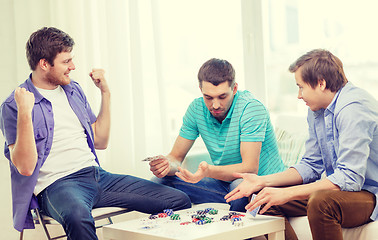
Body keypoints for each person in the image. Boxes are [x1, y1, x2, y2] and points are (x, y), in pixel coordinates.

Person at [0, 27, 191, 240]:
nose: (73, 67)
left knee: (178, 201)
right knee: (78, 217)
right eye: (66, 62)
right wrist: (25, 113)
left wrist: (105, 93)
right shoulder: (14, 105)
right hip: (57, 185)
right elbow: (25, 168)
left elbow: (100, 141)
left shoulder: (73, 90)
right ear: (44, 64)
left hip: (97, 176)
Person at [225, 49, 378, 240]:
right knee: (263, 199)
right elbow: (310, 165)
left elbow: (349, 179)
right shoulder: (317, 110)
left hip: (370, 193)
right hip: (343, 191)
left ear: (321, 83)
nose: (299, 95)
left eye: (301, 87)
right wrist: (263, 181)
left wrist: (288, 194)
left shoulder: (354, 108)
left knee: (321, 201)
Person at [148, 58, 285, 212]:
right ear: (200, 89)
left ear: (234, 89)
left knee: (239, 188)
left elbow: (249, 168)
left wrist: (208, 171)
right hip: (224, 184)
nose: (215, 105)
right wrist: (166, 165)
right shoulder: (196, 109)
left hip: (260, 183)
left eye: (222, 97)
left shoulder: (251, 108)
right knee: (160, 182)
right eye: (208, 97)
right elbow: (176, 157)